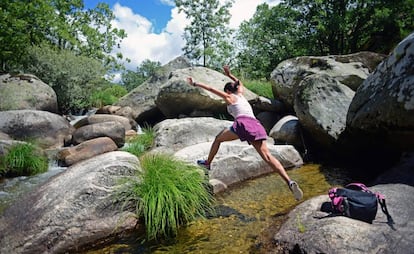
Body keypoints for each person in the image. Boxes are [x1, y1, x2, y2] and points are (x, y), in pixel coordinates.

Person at [186, 65, 303, 201]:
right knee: (268, 157)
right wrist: (229, 74)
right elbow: (240, 83)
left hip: (243, 124)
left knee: (218, 139)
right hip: (256, 124)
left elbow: (211, 89)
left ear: (229, 91)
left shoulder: (230, 97)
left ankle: (207, 163)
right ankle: (289, 181)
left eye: (227, 92)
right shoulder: (240, 95)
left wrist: (195, 83)